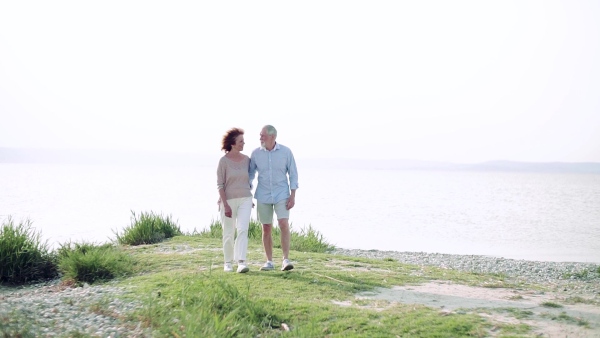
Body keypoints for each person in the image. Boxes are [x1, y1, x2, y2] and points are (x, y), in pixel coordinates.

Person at [249, 125, 299, 271]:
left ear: (272, 137)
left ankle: (285, 259)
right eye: (260, 135)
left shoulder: (285, 152)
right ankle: (269, 261)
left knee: (283, 223)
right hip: (263, 194)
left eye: (263, 135)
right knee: (266, 227)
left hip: (282, 193)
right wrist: (247, 194)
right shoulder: (256, 153)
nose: (260, 138)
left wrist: (293, 195)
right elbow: (250, 175)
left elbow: (293, 174)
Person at [217, 127, 253, 273]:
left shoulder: (247, 160)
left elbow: (249, 180)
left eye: (243, 141)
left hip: (246, 199)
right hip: (228, 200)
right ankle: (228, 262)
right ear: (232, 143)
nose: (243, 144)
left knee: (243, 230)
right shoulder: (223, 162)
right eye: (241, 141)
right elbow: (220, 185)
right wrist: (225, 204)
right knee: (228, 232)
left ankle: (242, 262)